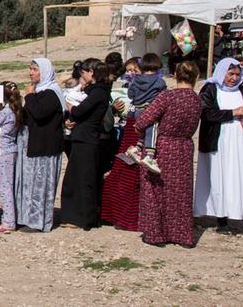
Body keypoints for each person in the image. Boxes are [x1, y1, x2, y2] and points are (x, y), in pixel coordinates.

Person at [135, 61, 203, 247]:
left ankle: (156, 233)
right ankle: (182, 234)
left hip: (164, 146)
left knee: (156, 189)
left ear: (175, 74)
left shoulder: (167, 97)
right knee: (181, 191)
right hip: (185, 146)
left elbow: (144, 120)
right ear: (196, 77)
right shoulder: (197, 99)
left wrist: (139, 129)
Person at [195, 58, 243, 236]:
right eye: (230, 74)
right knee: (221, 177)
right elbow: (205, 112)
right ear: (222, 73)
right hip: (220, 142)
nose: (234, 78)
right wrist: (232, 113)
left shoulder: (241, 89)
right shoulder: (210, 89)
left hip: (242, 141)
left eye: (236, 74)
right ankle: (222, 219)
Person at [101, 55, 159, 231]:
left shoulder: (155, 88)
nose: (132, 74)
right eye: (129, 71)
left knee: (134, 175)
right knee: (122, 173)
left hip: (140, 134)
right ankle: (117, 215)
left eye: (135, 70)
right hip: (129, 132)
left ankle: (132, 217)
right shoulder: (132, 87)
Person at [61, 58, 112, 230]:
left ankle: (83, 218)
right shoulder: (95, 91)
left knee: (84, 180)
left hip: (87, 139)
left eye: (84, 72)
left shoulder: (98, 92)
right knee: (77, 178)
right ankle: (78, 216)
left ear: (92, 72)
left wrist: (70, 109)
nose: (82, 76)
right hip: (83, 136)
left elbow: (81, 111)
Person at [17, 58, 65, 233]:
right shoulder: (40, 91)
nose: (31, 72)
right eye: (30, 69)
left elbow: (39, 113)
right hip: (37, 144)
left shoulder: (51, 93)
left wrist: (29, 96)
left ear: (44, 72)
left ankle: (39, 222)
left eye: (35, 69)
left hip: (47, 146)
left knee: (42, 186)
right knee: (32, 184)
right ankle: (29, 218)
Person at [0, 81, 23, 234]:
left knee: (5, 187)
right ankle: (13, 217)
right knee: (10, 185)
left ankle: (8, 221)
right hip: (12, 149)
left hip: (3, 151)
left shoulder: (5, 112)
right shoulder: (15, 109)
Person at [126, 54, 168, 173]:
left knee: (143, 132)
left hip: (137, 111)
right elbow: (163, 97)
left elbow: (130, 95)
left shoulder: (136, 80)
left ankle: (137, 149)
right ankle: (150, 156)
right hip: (150, 110)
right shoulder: (159, 82)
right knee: (152, 130)